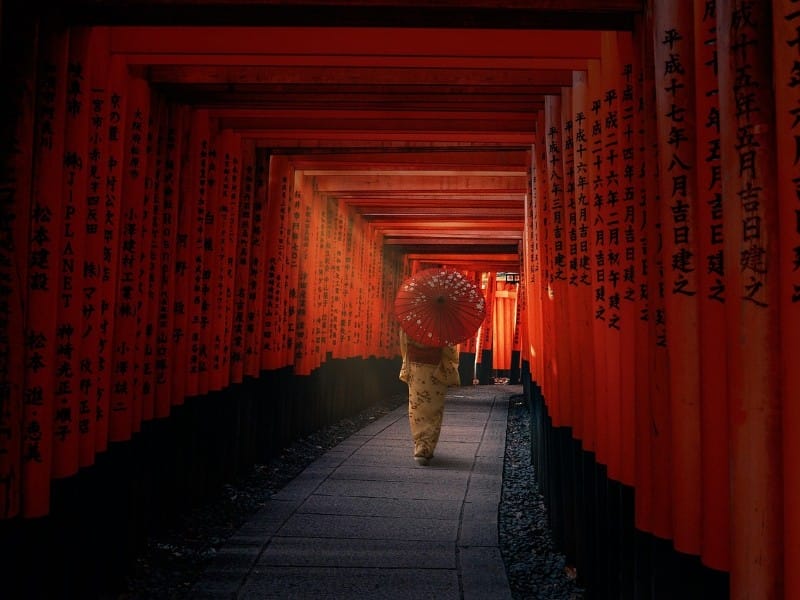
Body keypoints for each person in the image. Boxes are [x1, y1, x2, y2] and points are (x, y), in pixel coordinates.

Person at [398, 328, 460, 466]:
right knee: (433, 409)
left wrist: (407, 361)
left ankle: (420, 445)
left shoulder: (410, 320)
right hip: (436, 370)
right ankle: (427, 447)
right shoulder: (443, 323)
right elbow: (449, 350)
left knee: (417, 408)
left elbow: (404, 344)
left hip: (416, 369)